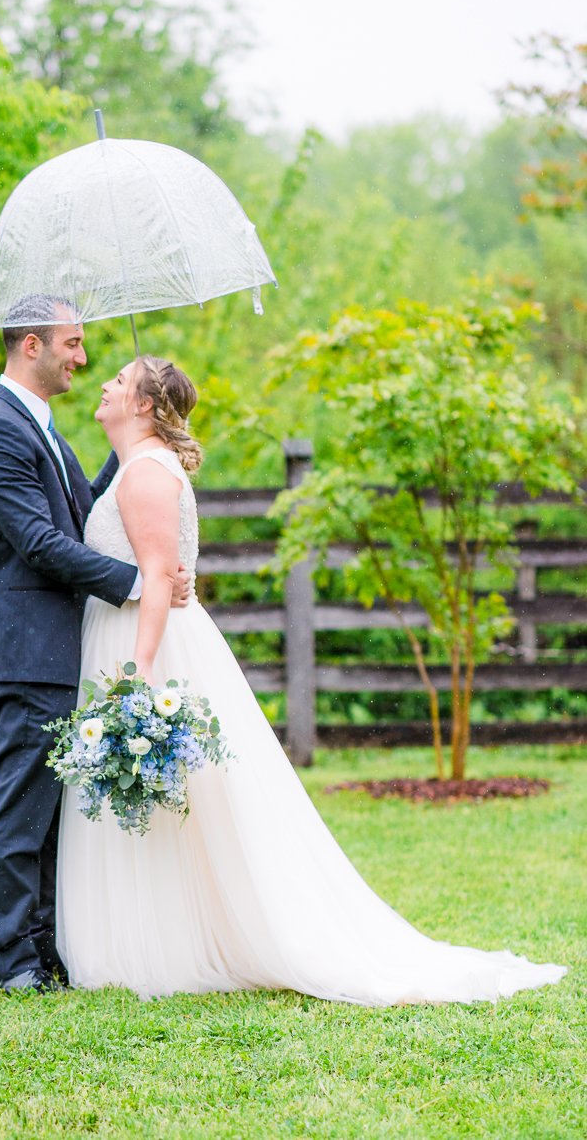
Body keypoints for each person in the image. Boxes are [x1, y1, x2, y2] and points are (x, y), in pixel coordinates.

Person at [56, 354, 567, 1005]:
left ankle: (158, 946)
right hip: (132, 637)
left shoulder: (147, 477)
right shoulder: (138, 469)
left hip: (144, 646)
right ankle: (148, 936)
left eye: (120, 382)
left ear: (145, 407)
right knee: (168, 802)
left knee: (170, 800)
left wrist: (142, 676)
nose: (104, 385)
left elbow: (158, 578)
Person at [0, 298, 190, 994]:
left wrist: (139, 448)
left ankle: (46, 949)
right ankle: (13, 963)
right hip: (28, 647)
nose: (82, 360)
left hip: (60, 646)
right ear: (33, 345)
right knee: (20, 810)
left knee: (52, 817)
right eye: (74, 344)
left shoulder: (45, 431)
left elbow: (86, 515)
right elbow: (38, 544)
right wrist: (140, 584)